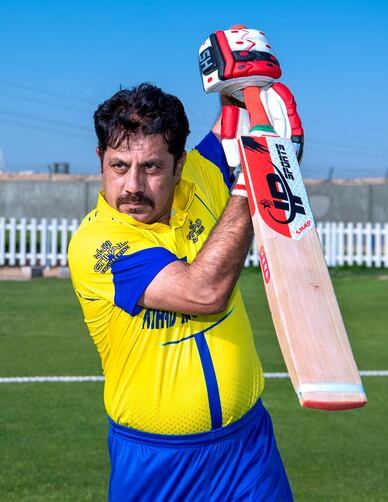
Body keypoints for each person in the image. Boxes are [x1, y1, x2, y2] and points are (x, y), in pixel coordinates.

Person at [68, 26, 302, 501]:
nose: (133, 185)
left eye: (152, 167)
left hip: (247, 449)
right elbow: (204, 292)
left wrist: (247, 87)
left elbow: (232, 126)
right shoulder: (97, 241)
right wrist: (256, 181)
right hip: (157, 462)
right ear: (100, 158)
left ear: (179, 166)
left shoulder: (200, 176)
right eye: (118, 166)